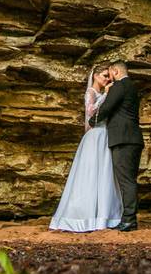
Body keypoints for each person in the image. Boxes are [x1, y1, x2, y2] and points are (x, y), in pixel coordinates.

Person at [49, 64, 123, 232]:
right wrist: (105, 95)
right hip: (95, 135)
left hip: (105, 135)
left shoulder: (105, 93)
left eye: (109, 77)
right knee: (90, 173)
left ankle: (105, 216)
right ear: (95, 75)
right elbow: (90, 112)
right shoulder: (90, 93)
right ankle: (83, 215)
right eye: (104, 76)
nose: (107, 79)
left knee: (105, 174)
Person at [89, 60, 144, 231]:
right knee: (130, 179)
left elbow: (106, 107)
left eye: (110, 73)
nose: (110, 78)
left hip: (123, 139)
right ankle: (129, 217)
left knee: (125, 181)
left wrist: (93, 121)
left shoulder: (120, 86)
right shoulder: (133, 87)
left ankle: (129, 220)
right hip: (133, 138)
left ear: (115, 71)